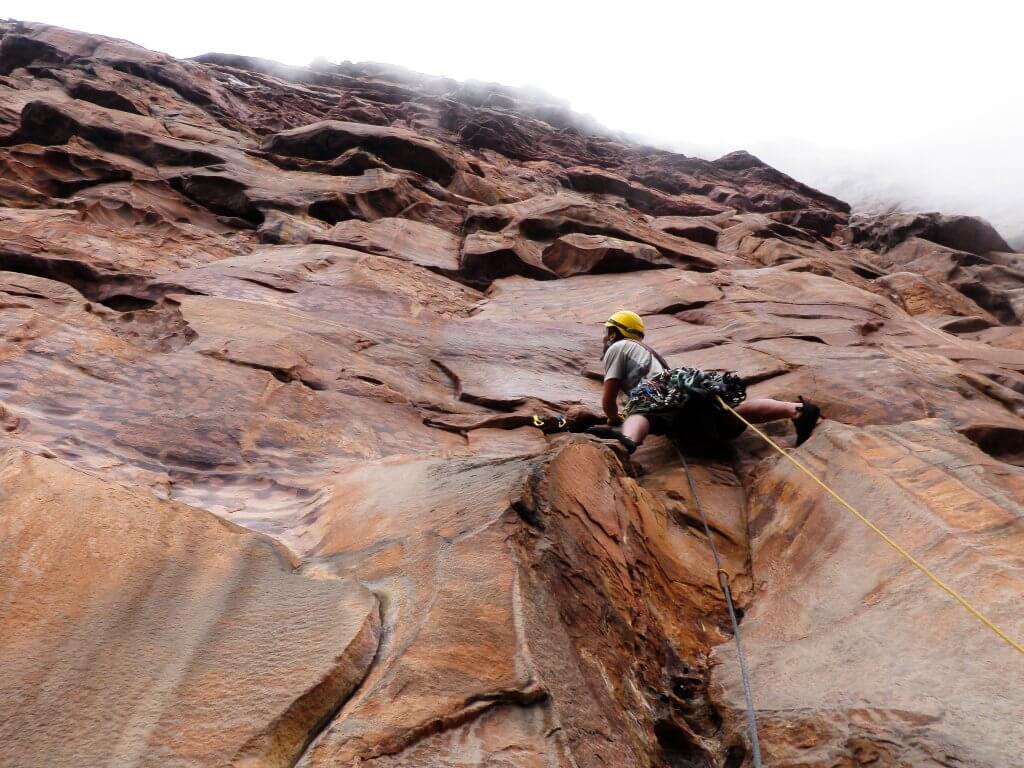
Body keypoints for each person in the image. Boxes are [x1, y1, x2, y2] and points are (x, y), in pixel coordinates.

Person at [588, 310, 820, 454]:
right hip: (688, 395)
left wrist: (614, 418)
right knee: (729, 414)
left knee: (643, 410)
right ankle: (796, 410)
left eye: (607, 332)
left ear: (613, 333)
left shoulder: (618, 347)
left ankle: (627, 442)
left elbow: (609, 399)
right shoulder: (647, 353)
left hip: (659, 393)